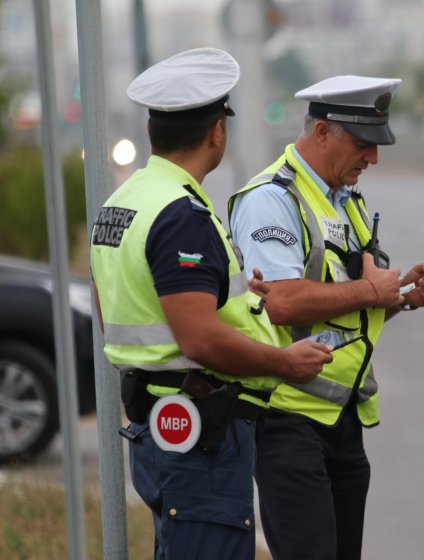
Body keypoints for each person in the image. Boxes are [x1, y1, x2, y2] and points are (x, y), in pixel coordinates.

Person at [89, 48, 333, 559]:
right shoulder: (180, 214)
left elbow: (118, 307)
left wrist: (242, 305)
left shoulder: (124, 201)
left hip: (161, 428)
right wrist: (285, 362)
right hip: (198, 438)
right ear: (217, 132)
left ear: (154, 132)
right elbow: (197, 336)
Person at [228, 75, 424, 560]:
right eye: (363, 143)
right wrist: (371, 289)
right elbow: (282, 302)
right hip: (289, 418)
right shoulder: (273, 199)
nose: (372, 158)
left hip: (342, 420)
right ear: (323, 132)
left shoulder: (346, 201)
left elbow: (348, 311)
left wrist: (402, 297)